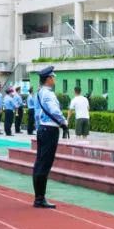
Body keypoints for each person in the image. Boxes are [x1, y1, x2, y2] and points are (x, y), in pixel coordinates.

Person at [31, 66, 69, 209]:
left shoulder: (39, 93)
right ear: (48, 79)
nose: (54, 79)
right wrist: (63, 122)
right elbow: (54, 110)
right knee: (45, 164)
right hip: (50, 129)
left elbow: (36, 114)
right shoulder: (48, 94)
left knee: (40, 162)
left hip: (42, 128)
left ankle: (38, 196)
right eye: (52, 77)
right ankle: (40, 198)